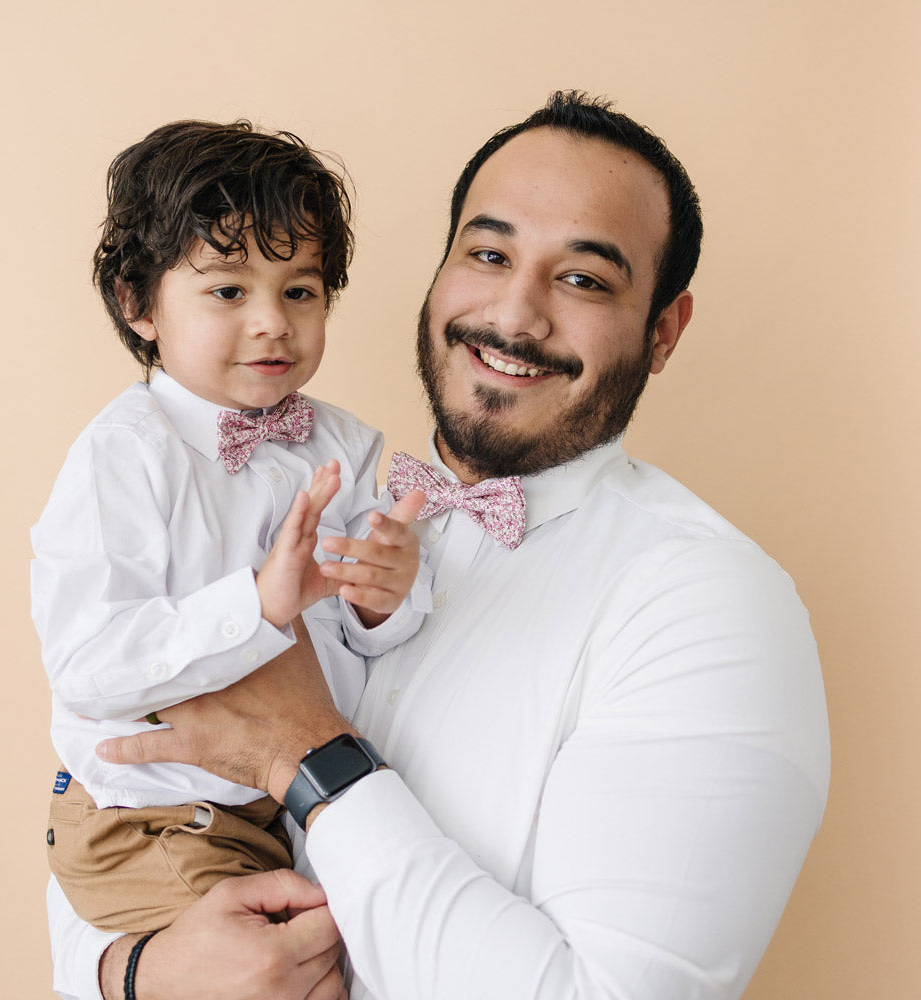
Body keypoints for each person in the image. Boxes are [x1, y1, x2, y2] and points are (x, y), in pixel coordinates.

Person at [48, 92, 830, 1000]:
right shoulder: (322, 484)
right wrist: (131, 972)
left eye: (582, 278)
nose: (515, 313)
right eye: (488, 254)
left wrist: (306, 753)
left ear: (663, 330)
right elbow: (107, 785)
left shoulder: (717, 608)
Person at [32, 120, 430, 937]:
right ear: (138, 304)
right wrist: (256, 603)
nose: (273, 322)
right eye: (228, 291)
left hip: (282, 808)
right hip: (151, 819)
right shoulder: (126, 455)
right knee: (284, 966)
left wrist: (385, 599)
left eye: (300, 290)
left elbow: (371, 652)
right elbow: (85, 664)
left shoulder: (346, 446)